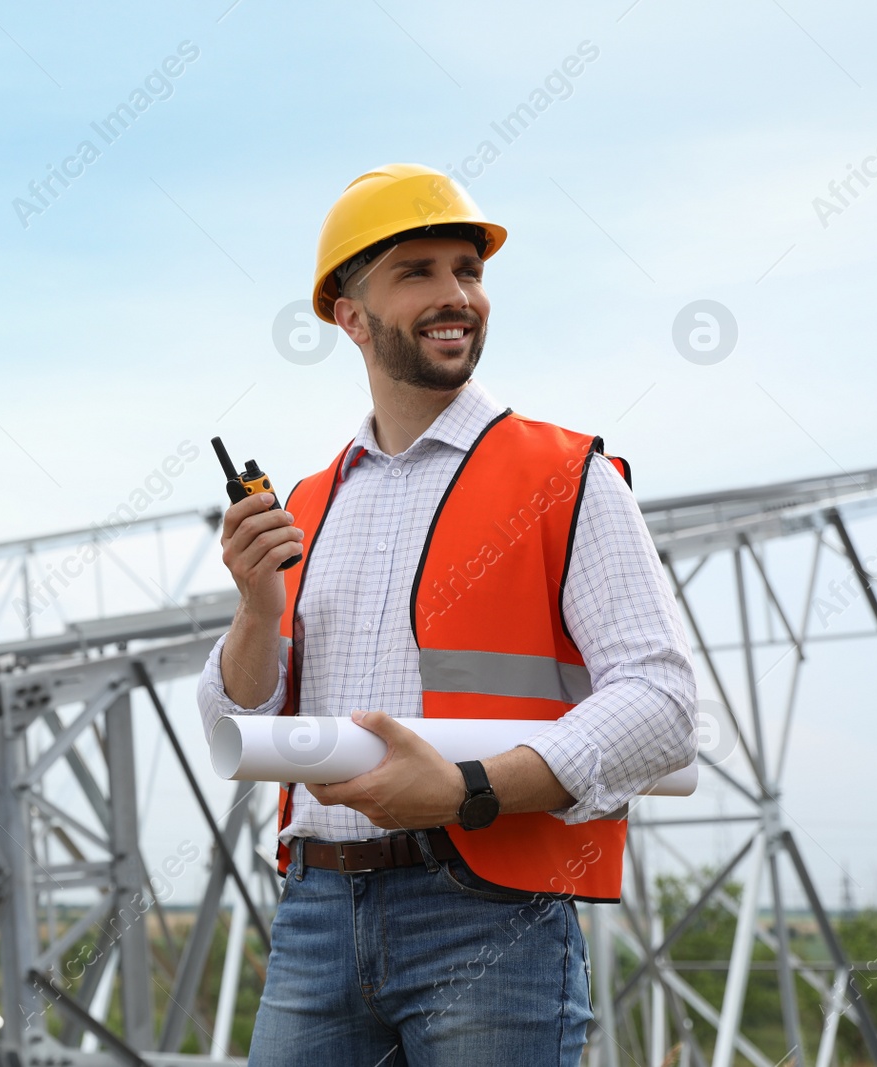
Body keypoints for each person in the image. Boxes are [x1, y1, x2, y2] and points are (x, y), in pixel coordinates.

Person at [196, 163, 698, 1064]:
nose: (455, 294)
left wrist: (468, 789)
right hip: (315, 912)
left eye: (467, 269)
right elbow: (238, 726)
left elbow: (661, 706)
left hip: (490, 918)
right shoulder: (306, 504)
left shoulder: (565, 477)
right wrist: (253, 611)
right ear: (349, 315)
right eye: (417, 272)